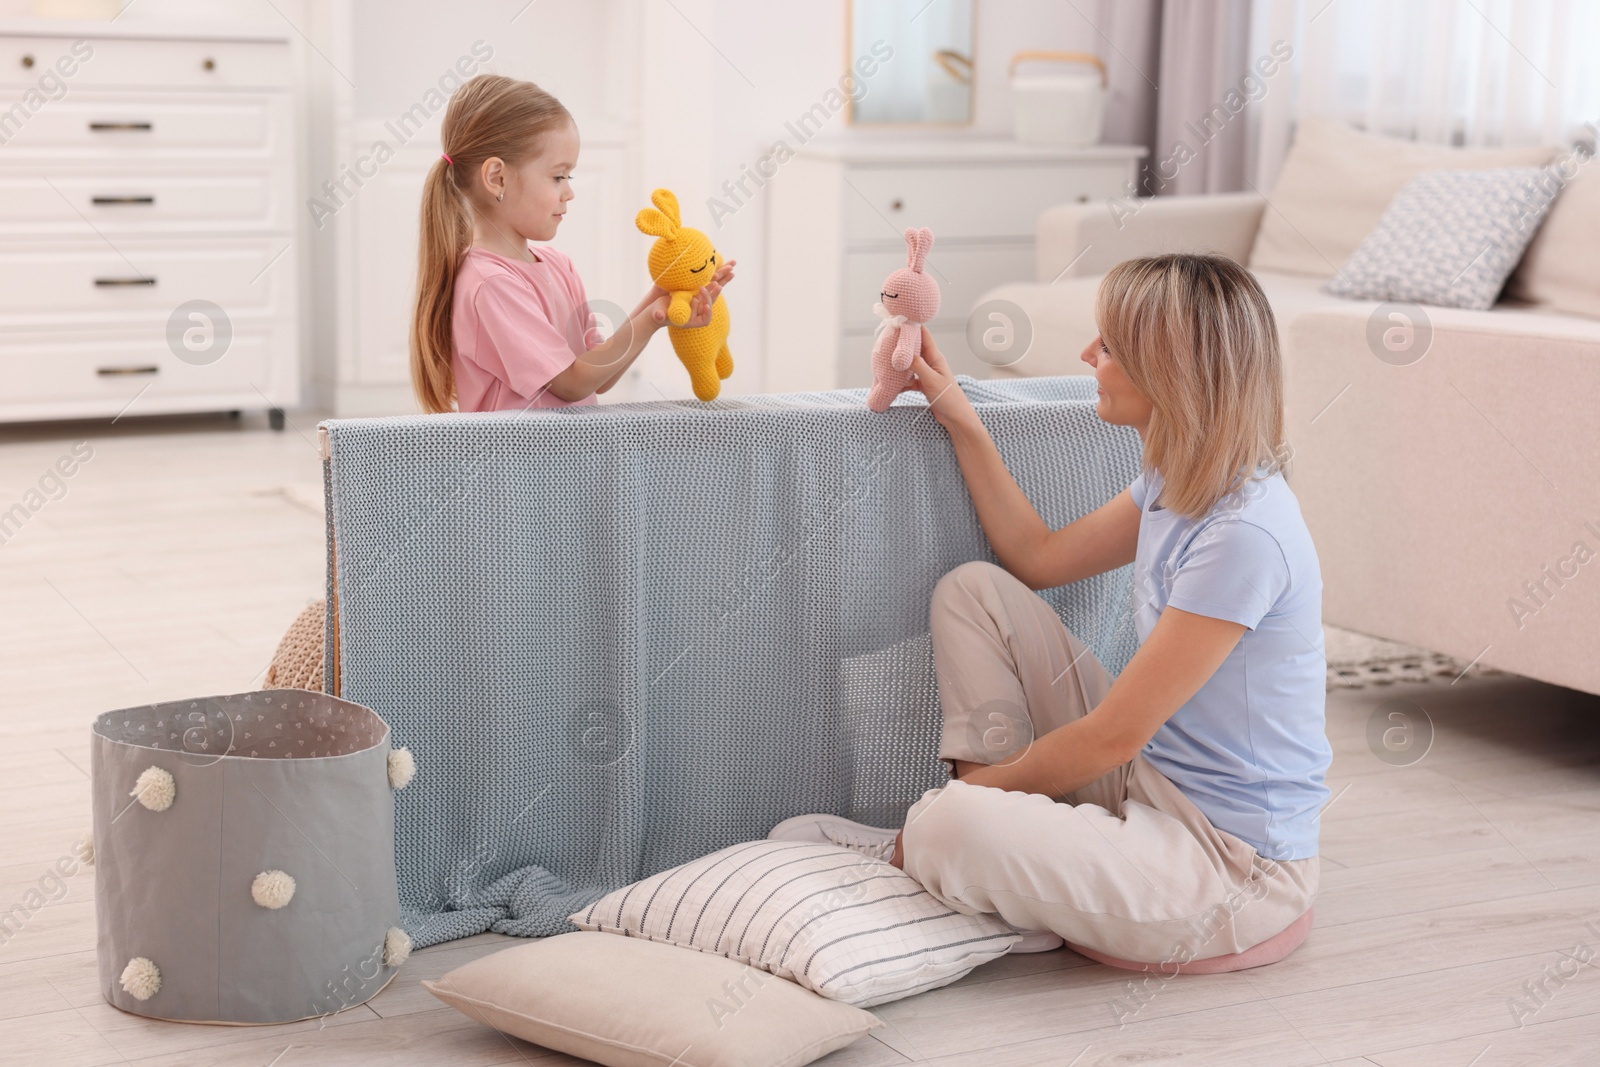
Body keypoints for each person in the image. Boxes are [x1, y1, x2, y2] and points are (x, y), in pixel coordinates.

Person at [771, 253, 1332, 968]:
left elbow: (1109, 738)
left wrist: (954, 812)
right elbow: (1036, 556)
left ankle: (944, 845)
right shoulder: (1176, 483)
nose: (1087, 355)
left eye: (1111, 347)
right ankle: (985, 853)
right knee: (975, 592)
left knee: (954, 822)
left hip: (1229, 868)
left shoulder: (1245, 534)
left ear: (1171, 374)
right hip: (1151, 785)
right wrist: (960, 418)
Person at [409, 74, 734, 414]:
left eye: (570, 176)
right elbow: (571, 383)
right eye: (558, 176)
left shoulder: (557, 264)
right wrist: (651, 320)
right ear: (497, 178)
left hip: (565, 462)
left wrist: (663, 297)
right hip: (518, 465)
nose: (569, 191)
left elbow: (597, 375)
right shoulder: (491, 285)